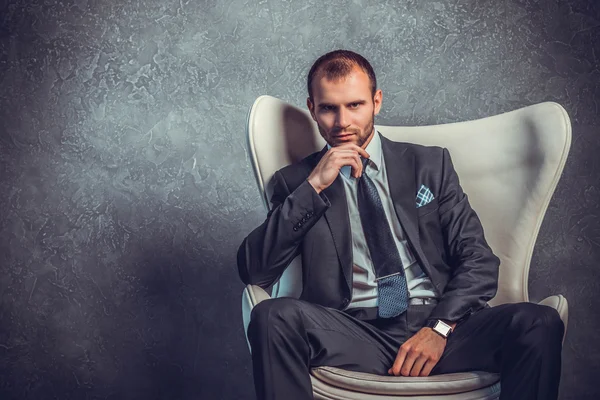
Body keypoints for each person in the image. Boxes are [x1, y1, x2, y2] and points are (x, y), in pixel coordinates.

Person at [237, 49, 565, 400]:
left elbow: (479, 261)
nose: (342, 122)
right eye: (329, 108)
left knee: (538, 322)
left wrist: (438, 328)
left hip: (442, 323)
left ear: (376, 102)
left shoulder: (428, 165)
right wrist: (314, 186)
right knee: (272, 316)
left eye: (355, 105)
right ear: (312, 108)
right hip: (355, 331)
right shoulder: (296, 183)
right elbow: (255, 270)